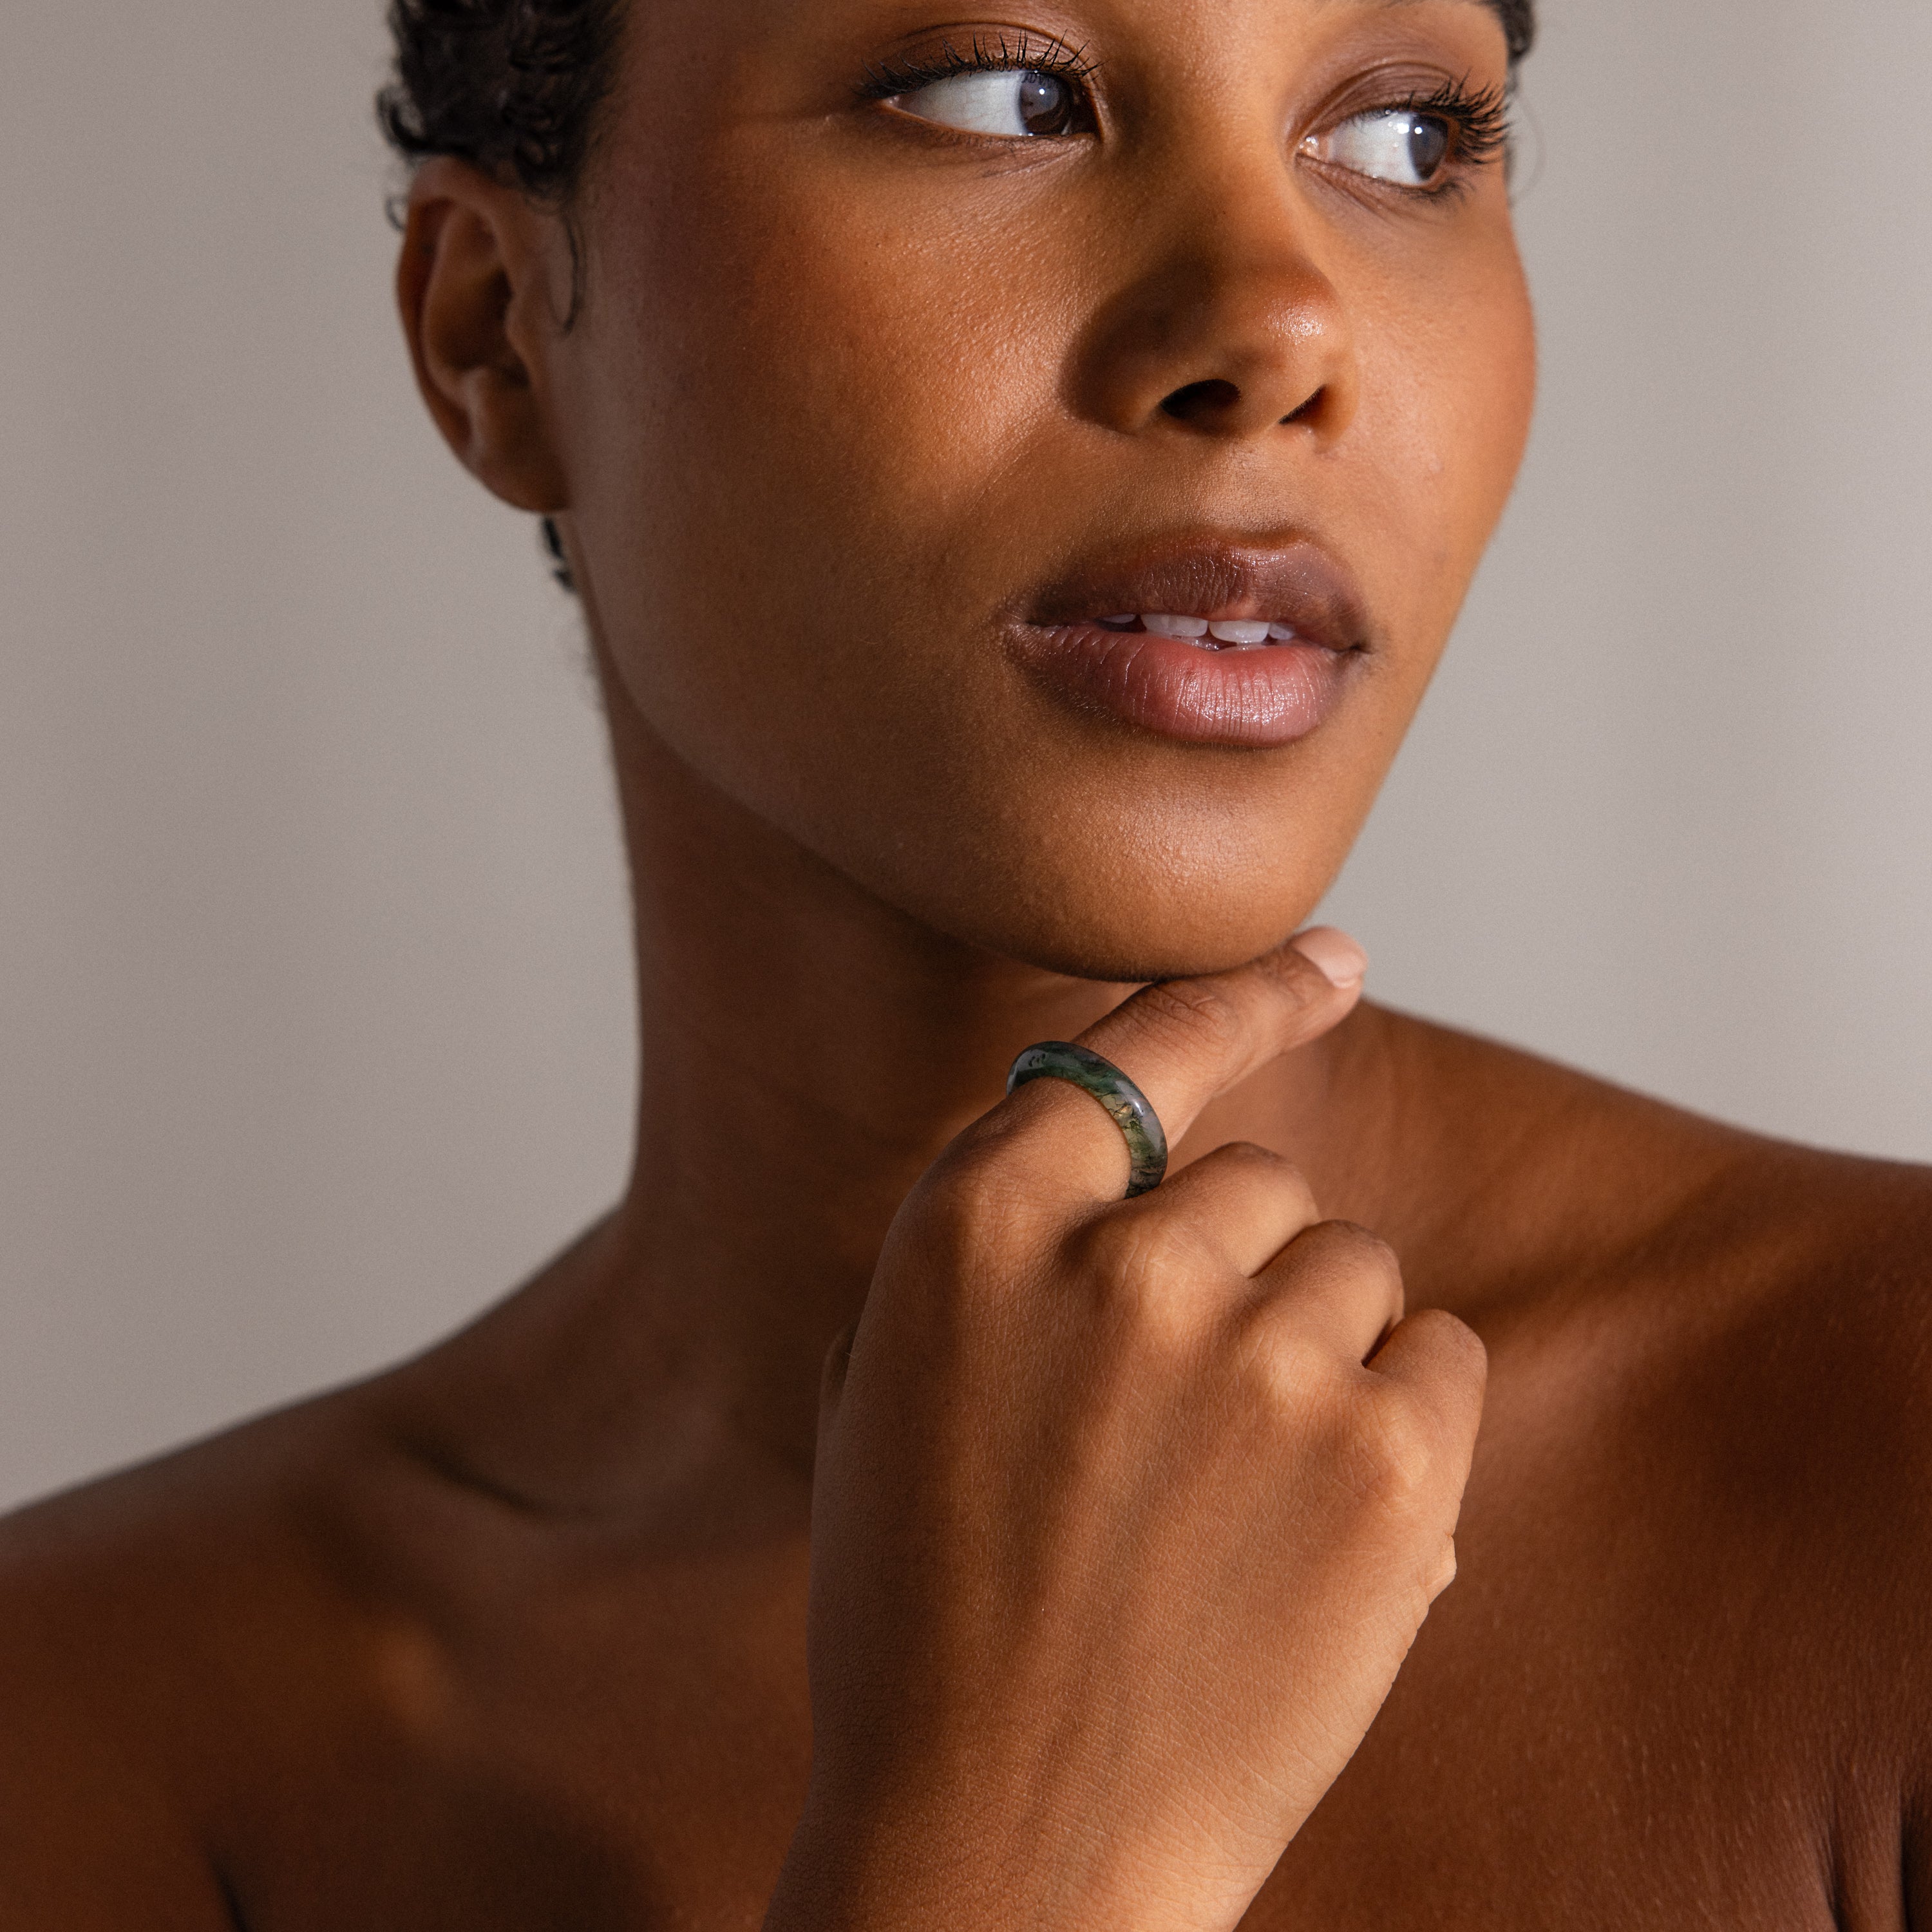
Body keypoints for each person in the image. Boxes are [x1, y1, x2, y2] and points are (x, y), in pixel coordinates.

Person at [3, 0, 1929, 1924]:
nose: (1280, 327)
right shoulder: (89, 1734)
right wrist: (1018, 1858)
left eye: (1409, 136)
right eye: (1003, 99)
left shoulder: (1881, 1477)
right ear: (494, 333)